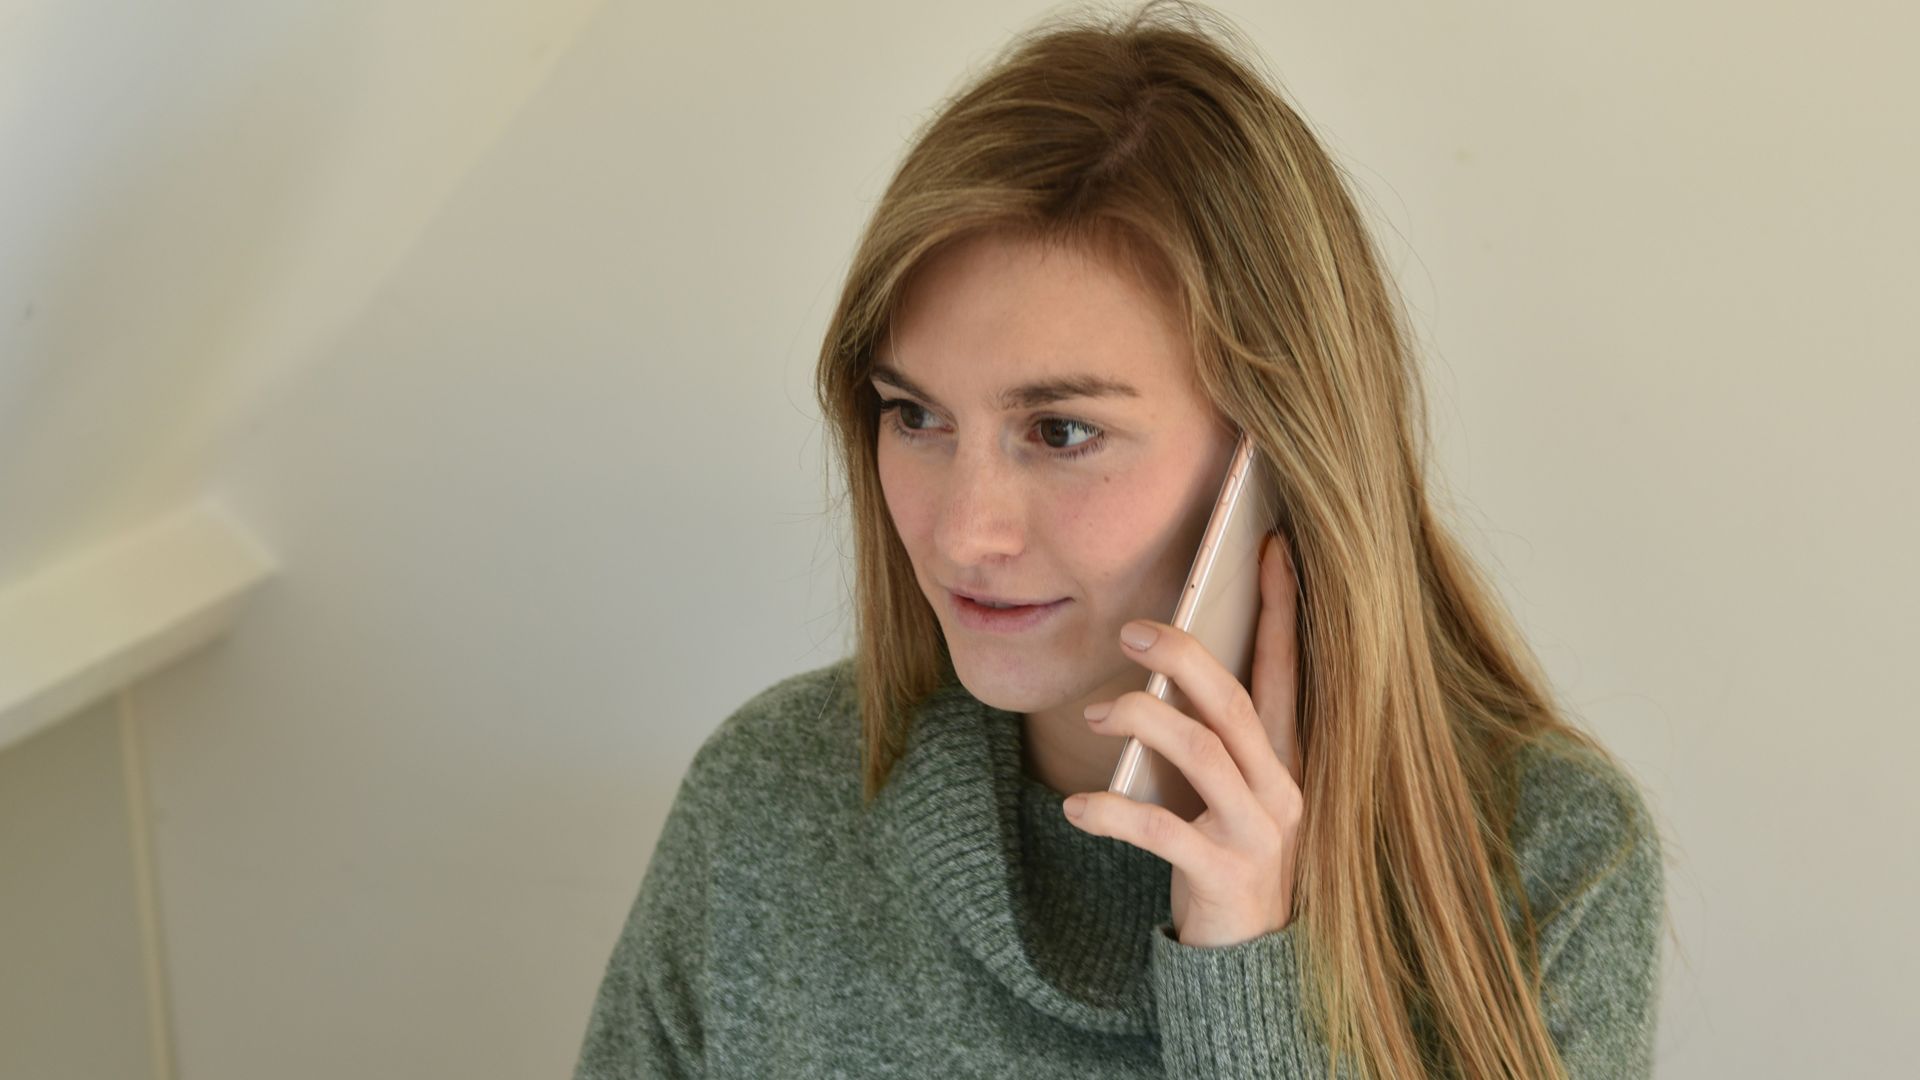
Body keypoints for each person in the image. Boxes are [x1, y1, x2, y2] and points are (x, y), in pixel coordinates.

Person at [573, 2, 1669, 1077]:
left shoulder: (1544, 862)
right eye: (915, 415)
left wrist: (1244, 980)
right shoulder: (770, 800)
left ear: (1275, 457)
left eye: (1060, 431)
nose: (964, 532)